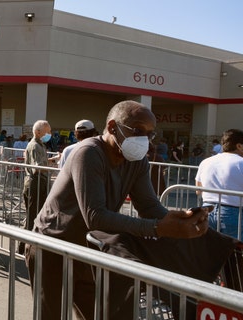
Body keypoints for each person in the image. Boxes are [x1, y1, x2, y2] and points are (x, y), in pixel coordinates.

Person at [26, 100, 220, 319]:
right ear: (112, 127)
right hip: (52, 246)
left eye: (150, 134)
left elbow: (148, 205)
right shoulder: (88, 153)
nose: (144, 139)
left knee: (96, 314)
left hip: (87, 249)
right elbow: (95, 216)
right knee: (50, 315)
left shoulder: (136, 160)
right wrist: (159, 228)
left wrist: (181, 220)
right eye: (138, 130)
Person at [195, 129, 243, 239]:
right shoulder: (241, 163)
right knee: (233, 251)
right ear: (239, 146)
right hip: (233, 212)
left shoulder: (206, 162)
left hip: (206, 211)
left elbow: (198, 190)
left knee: (208, 248)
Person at [22, 120, 58, 234]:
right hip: (35, 183)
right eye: (47, 132)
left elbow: (40, 162)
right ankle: (23, 246)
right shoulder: (35, 146)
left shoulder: (41, 145)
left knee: (36, 214)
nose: (49, 134)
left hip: (40, 182)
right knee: (32, 217)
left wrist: (52, 160)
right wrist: (54, 169)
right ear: (38, 132)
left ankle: (26, 245)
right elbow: (37, 167)